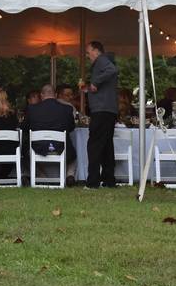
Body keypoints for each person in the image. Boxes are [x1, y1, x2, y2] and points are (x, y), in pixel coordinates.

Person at [80, 41, 120, 189]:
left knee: (94, 145)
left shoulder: (102, 60)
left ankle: (93, 182)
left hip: (101, 110)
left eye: (88, 51)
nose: (87, 55)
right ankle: (109, 180)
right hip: (109, 110)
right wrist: (89, 88)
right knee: (106, 146)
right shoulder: (104, 61)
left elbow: (112, 70)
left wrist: (95, 82)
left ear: (96, 51)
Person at [23, 83, 76, 185]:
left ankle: (37, 176)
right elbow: (71, 128)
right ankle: (70, 175)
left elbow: (24, 128)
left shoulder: (32, 109)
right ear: (55, 95)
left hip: (38, 147)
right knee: (73, 153)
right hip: (61, 147)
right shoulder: (67, 109)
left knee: (25, 152)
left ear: (42, 95)